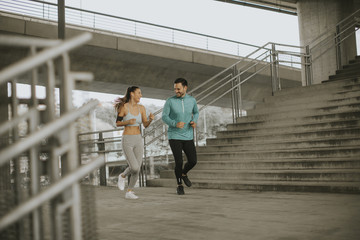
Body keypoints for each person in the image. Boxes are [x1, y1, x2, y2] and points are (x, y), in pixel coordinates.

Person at [114, 86, 154, 199]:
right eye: (139, 93)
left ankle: (129, 192)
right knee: (134, 167)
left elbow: (145, 125)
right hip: (127, 139)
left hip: (138, 139)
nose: (141, 95)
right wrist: (127, 122)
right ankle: (122, 176)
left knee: (138, 167)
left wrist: (150, 119)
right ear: (132, 94)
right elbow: (117, 123)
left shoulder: (142, 108)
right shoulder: (124, 107)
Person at [162, 78, 199, 195]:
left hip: (188, 135)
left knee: (193, 160)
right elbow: (164, 116)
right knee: (179, 161)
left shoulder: (192, 100)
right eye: (175, 89)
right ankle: (179, 185)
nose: (176, 91)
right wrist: (174, 123)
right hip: (174, 135)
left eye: (178, 89)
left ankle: (183, 173)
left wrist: (194, 121)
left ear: (185, 88)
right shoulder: (170, 101)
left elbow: (196, 112)